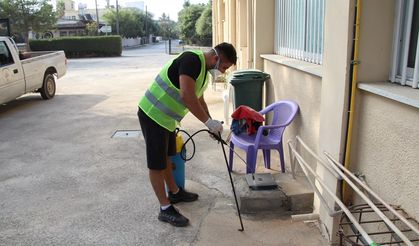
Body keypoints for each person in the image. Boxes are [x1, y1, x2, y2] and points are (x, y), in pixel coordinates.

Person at [137, 42, 237, 227]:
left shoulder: (204, 74)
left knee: (167, 156)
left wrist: (211, 123)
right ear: (216, 59)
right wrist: (207, 122)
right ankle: (165, 209)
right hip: (152, 114)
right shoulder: (191, 60)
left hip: (166, 119)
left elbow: (199, 99)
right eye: (223, 67)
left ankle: (174, 193)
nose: (222, 72)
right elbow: (187, 96)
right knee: (156, 164)